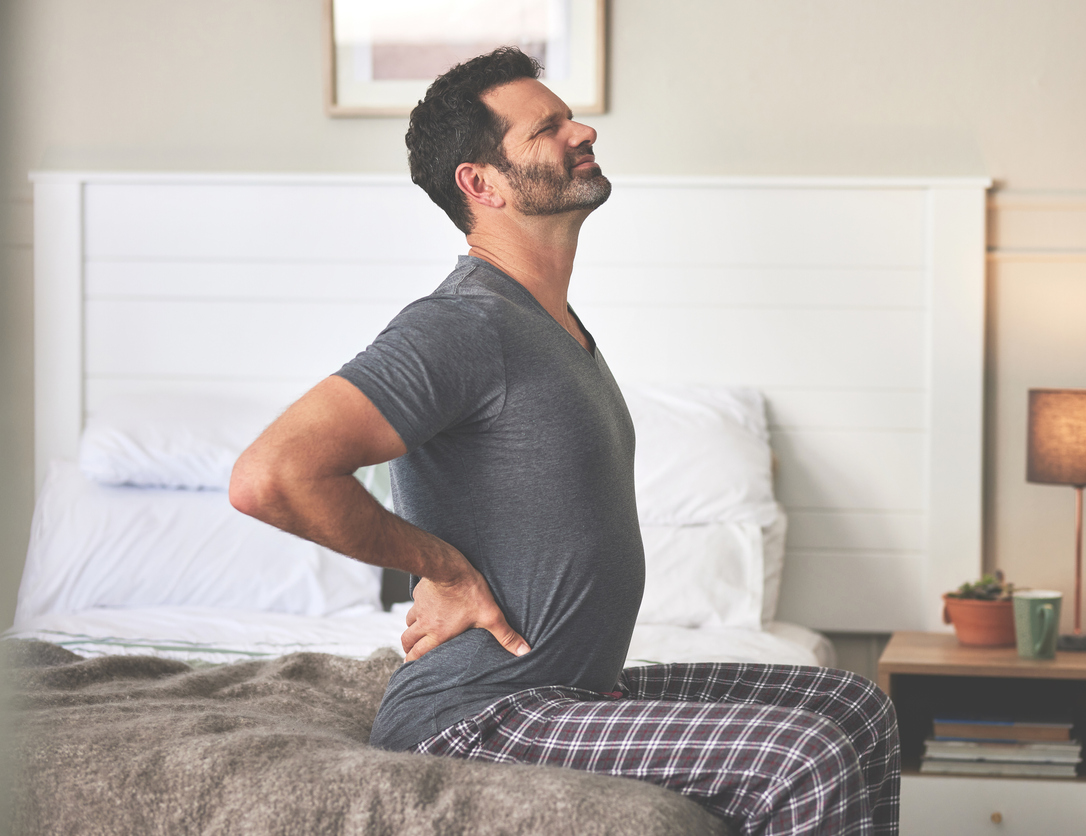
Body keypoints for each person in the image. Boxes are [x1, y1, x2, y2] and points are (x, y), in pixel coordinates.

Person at [230, 47, 899, 836]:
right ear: (481, 184)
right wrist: (437, 568)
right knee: (800, 753)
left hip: (576, 692)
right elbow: (271, 475)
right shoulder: (461, 324)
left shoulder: (550, 325)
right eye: (546, 128)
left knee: (851, 705)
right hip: (475, 718)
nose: (580, 130)